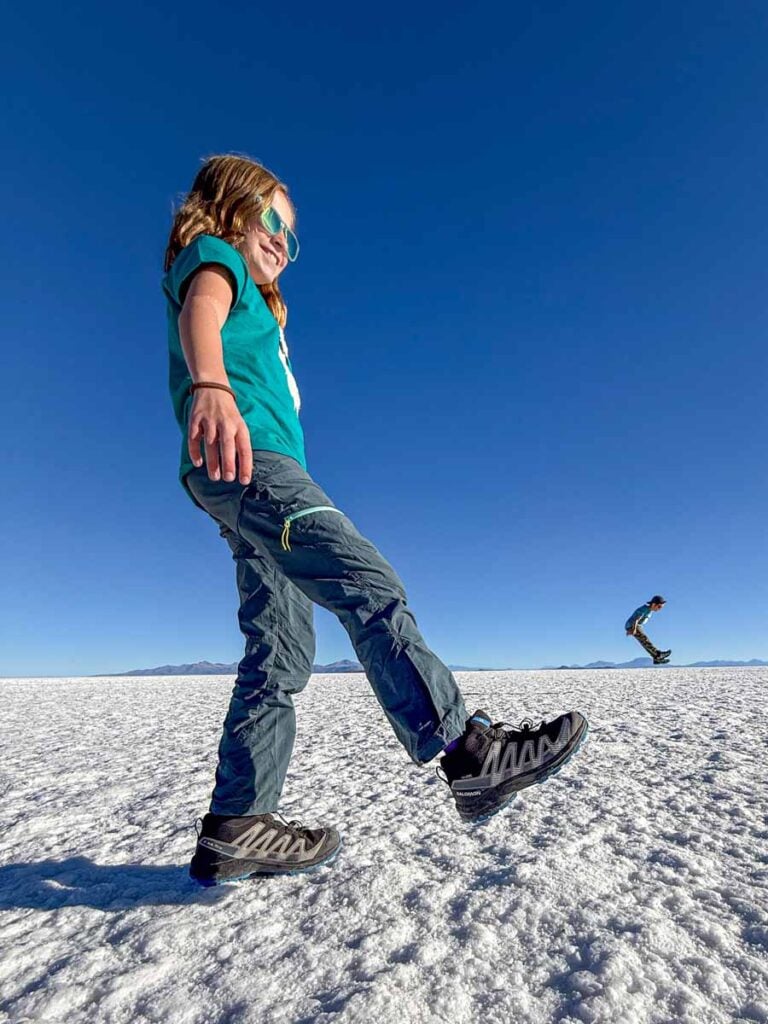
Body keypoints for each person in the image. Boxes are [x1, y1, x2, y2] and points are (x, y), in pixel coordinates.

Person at [162, 154, 589, 885]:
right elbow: (201, 302)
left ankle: (238, 824)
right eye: (272, 224)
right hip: (255, 467)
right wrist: (209, 383)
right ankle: (467, 752)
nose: (280, 246)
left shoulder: (263, 307)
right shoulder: (215, 260)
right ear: (232, 208)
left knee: (279, 656)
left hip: (241, 481)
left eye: (290, 242)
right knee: (365, 579)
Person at [625, 596, 671, 664]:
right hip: (633, 625)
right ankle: (658, 655)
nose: (659, 609)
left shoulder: (649, 610)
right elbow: (636, 619)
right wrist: (633, 629)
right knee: (645, 640)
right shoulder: (645, 609)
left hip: (635, 626)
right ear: (653, 604)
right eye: (659, 607)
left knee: (644, 641)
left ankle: (656, 658)